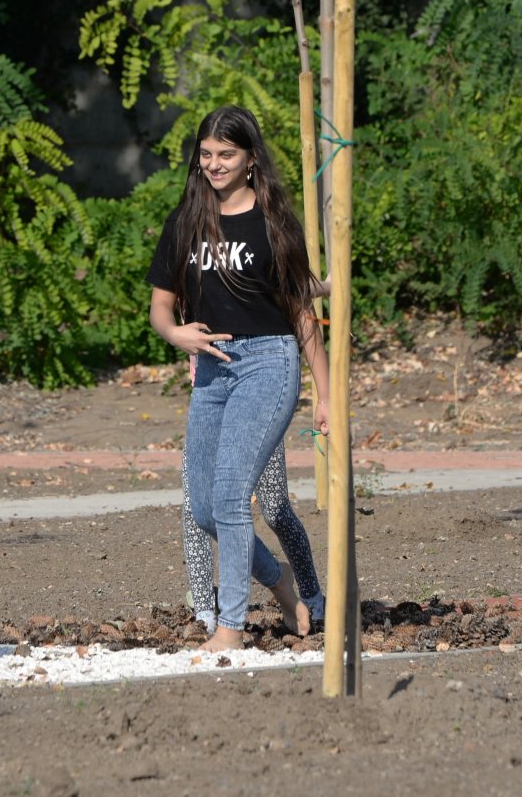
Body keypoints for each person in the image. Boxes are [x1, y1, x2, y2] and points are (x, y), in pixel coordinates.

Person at [148, 105, 330, 652]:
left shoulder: (273, 221)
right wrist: (175, 336)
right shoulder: (185, 221)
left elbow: (301, 312)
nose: (214, 164)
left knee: (231, 496)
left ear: (250, 159)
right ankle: (279, 582)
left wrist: (324, 392)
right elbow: (161, 308)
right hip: (211, 372)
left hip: (267, 364)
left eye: (226, 154)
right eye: (206, 154)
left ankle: (230, 627)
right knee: (204, 507)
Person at [180, 439, 324, 636]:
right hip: (209, 411)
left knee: (276, 511)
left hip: (258, 415)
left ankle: (312, 596)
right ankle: (204, 613)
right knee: (195, 511)